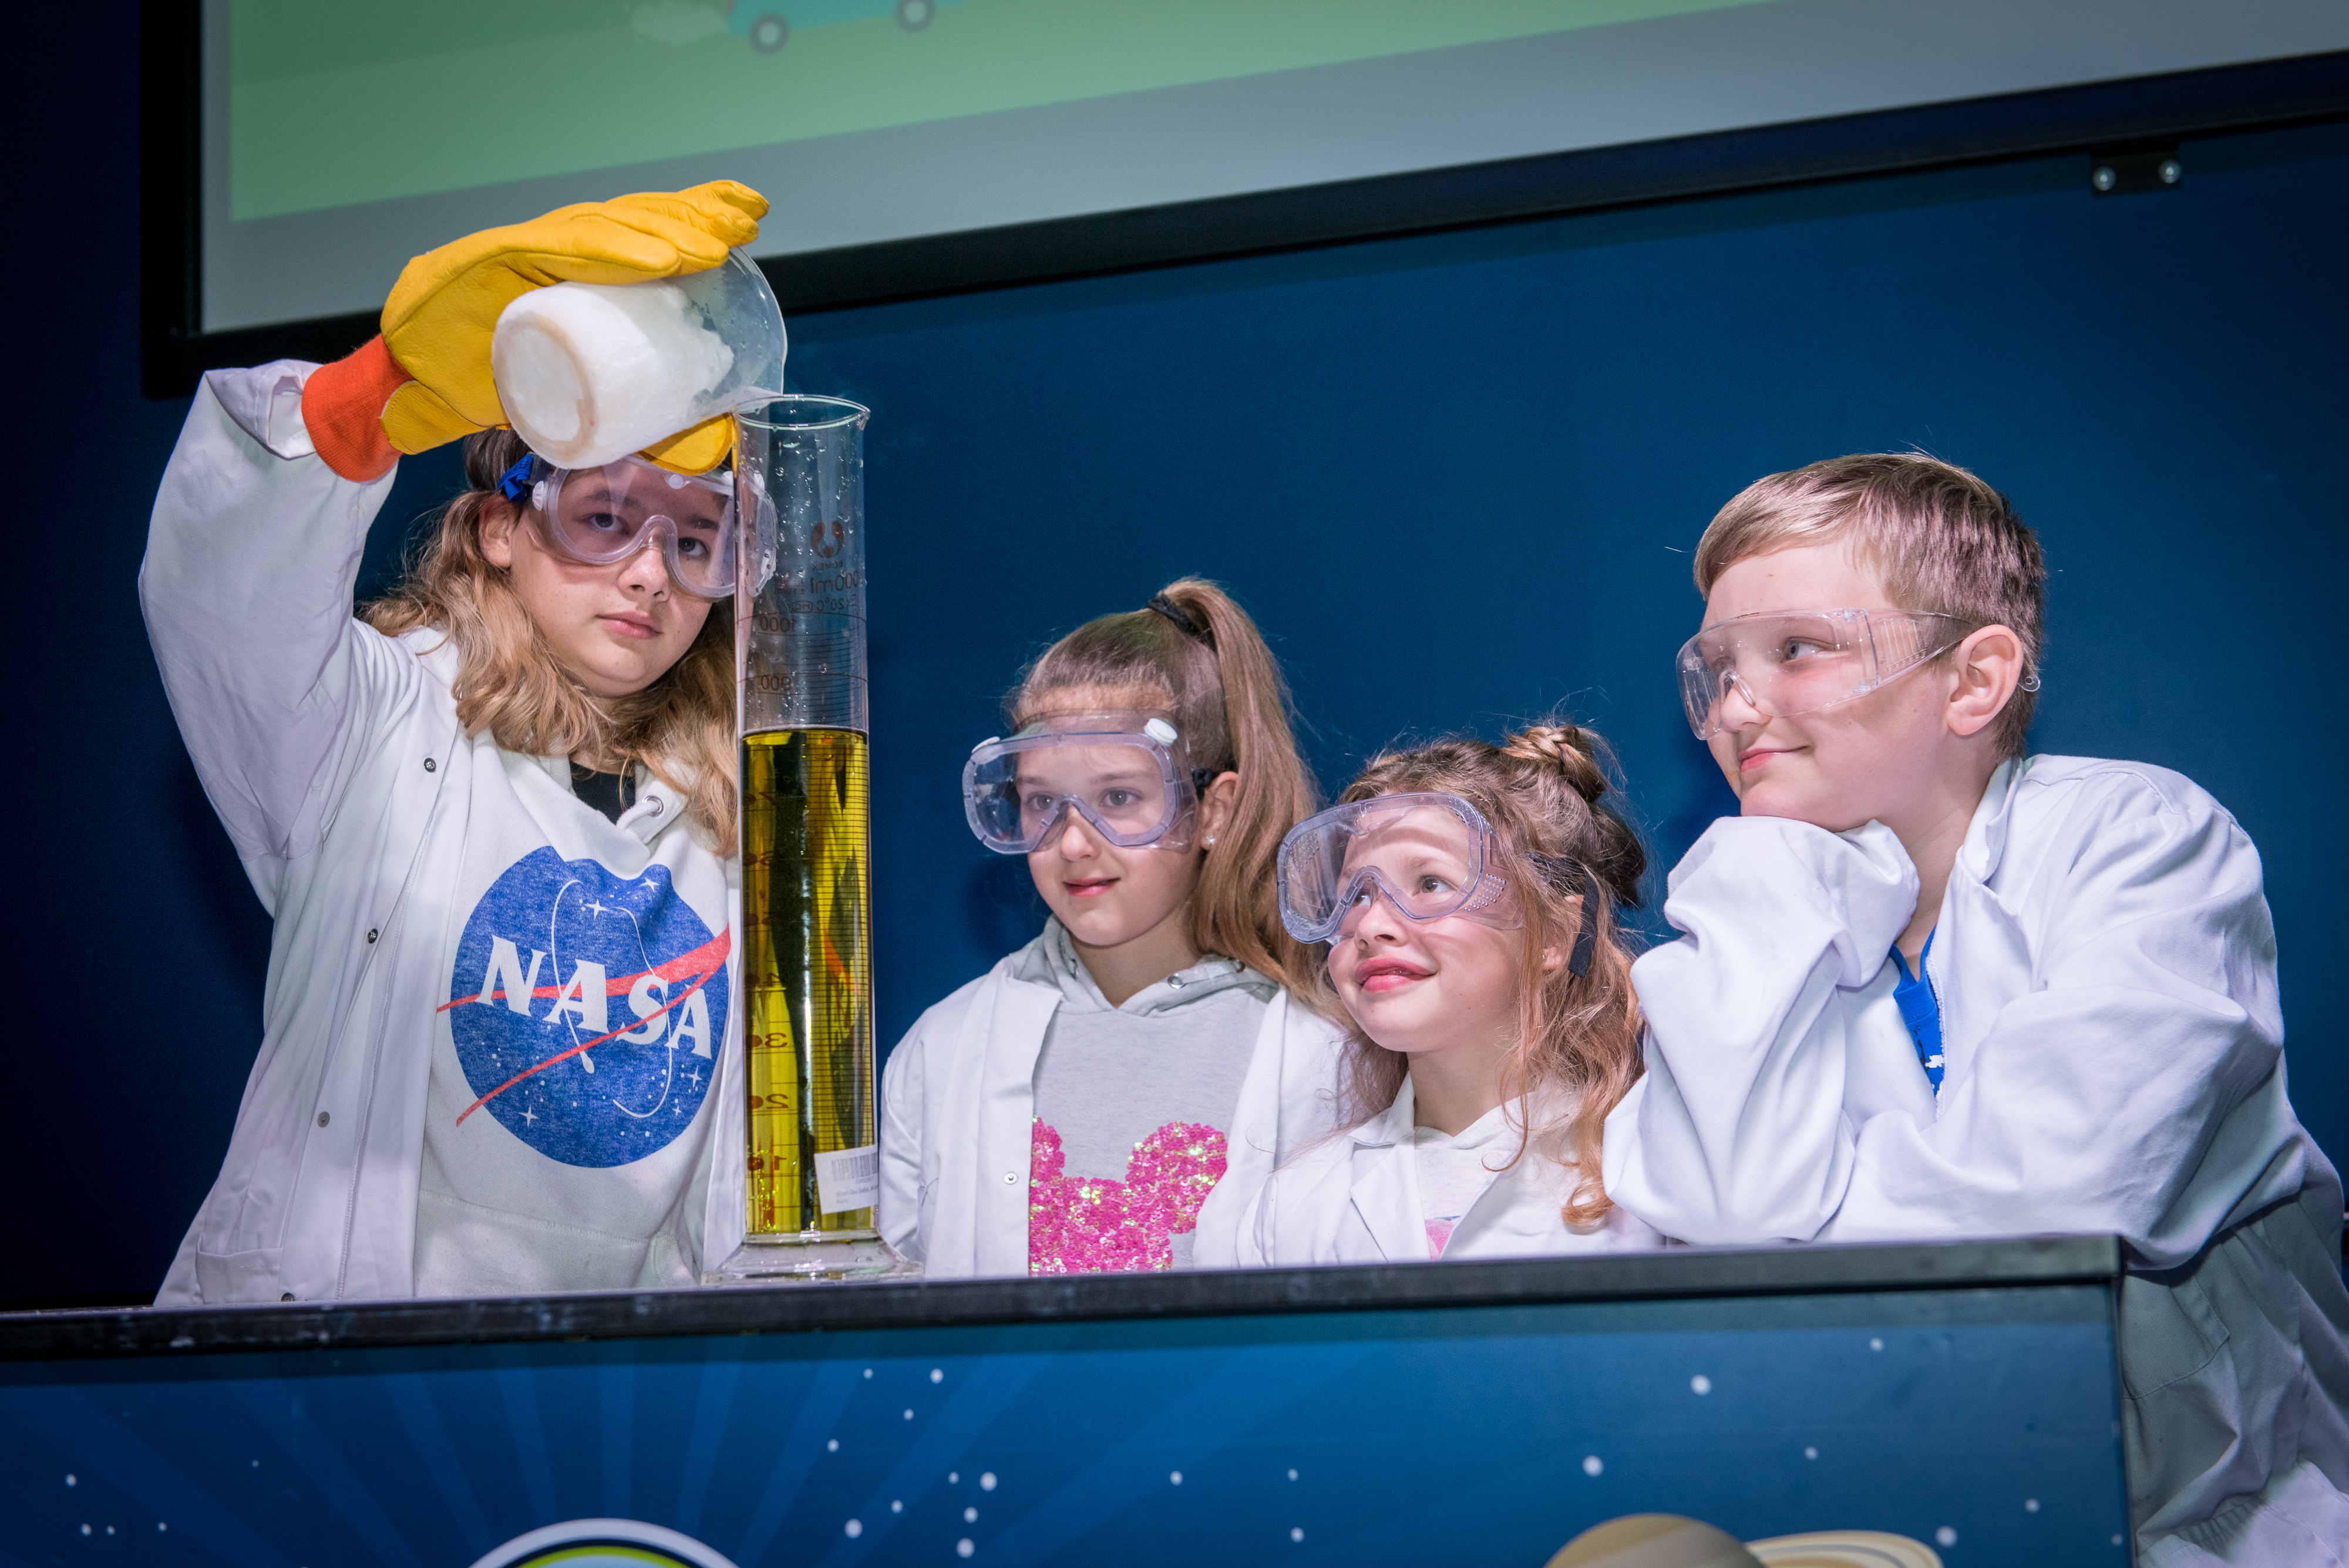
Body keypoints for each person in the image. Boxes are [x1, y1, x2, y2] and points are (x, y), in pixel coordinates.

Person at [1601, 453, 2349, 1563]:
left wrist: (1799, 1231)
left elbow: (2042, 1217)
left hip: (2218, 1532)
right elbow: (1714, 1231)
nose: (1735, 711)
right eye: (1714, 672)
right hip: (1912, 1521)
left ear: (1974, 680)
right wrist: (1760, 878)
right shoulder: (1769, 906)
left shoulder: (2138, 841)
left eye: (1797, 650)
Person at [143, 183, 770, 1304]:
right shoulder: (374, 727)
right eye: (606, 516)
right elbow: (216, 600)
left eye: (696, 538)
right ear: (497, 528)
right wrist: (370, 397)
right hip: (355, 1366)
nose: (647, 573)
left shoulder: (735, 811)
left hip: (626, 1389)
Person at [876, 583, 1347, 1276]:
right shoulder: (943, 1049)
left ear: (1214, 810)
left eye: (1119, 798)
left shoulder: (1325, 1054)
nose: (1073, 843)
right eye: (1041, 802)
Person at [1233, 725, 1664, 1264]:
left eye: (1430, 883)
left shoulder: (1654, 1172)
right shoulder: (1291, 1207)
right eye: (1355, 894)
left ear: (1553, 935)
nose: (1370, 924)